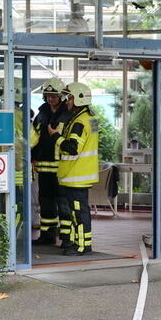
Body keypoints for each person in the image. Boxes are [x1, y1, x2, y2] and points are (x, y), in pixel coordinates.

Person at [51, 82, 99, 255]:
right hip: (81, 175)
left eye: (69, 98)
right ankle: (80, 244)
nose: (67, 102)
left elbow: (72, 148)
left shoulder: (79, 122)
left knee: (78, 214)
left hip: (76, 176)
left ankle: (82, 246)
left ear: (78, 98)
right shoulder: (90, 119)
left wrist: (55, 136)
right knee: (78, 212)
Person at [30, 77, 71, 245]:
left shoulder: (68, 115)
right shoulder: (42, 114)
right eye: (47, 95)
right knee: (45, 202)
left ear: (61, 96)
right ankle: (47, 236)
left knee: (63, 204)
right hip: (44, 167)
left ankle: (67, 238)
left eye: (53, 96)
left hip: (63, 167)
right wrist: (31, 154)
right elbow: (34, 137)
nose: (50, 99)